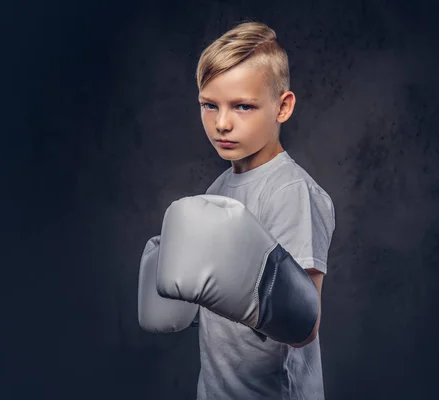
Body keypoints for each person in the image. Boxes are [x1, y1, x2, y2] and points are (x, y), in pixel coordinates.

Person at [138, 20, 335, 400]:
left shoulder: (292, 192)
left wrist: (248, 289)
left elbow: (304, 325)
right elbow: (218, 305)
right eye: (209, 105)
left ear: (282, 107)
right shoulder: (219, 188)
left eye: (242, 106)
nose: (222, 123)